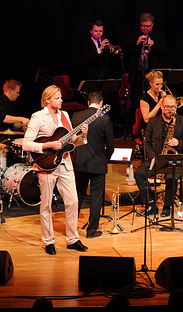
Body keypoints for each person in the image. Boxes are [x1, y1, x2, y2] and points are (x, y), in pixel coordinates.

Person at [22, 85, 89, 254]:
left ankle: (73, 239)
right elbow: (26, 144)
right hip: (46, 164)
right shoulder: (37, 117)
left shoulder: (65, 115)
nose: (61, 100)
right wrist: (48, 144)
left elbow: (71, 142)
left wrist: (82, 135)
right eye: (57, 98)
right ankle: (48, 241)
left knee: (73, 202)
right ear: (48, 100)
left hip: (65, 163)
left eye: (61, 98)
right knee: (46, 205)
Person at [134, 94, 183, 217]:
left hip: (174, 160)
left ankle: (167, 206)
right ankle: (150, 204)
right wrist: (153, 157)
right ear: (161, 106)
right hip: (156, 159)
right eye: (167, 107)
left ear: (176, 107)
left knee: (171, 177)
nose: (169, 109)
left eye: (172, 107)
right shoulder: (153, 121)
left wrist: (179, 142)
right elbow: (146, 143)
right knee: (139, 174)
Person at [72, 92, 114, 239]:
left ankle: (71, 230)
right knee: (96, 197)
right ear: (101, 103)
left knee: (77, 195)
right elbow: (110, 145)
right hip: (97, 163)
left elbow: (72, 140)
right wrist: (105, 158)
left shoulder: (76, 116)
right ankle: (91, 231)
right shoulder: (105, 119)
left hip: (79, 162)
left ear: (88, 102)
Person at [126, 12, 168, 100]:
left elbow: (164, 52)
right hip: (137, 74)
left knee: (151, 100)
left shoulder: (159, 35)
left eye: (148, 26)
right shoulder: (133, 35)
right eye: (143, 26)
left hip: (152, 74)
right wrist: (137, 43)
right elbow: (126, 51)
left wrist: (154, 45)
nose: (145, 28)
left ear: (152, 24)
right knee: (136, 101)